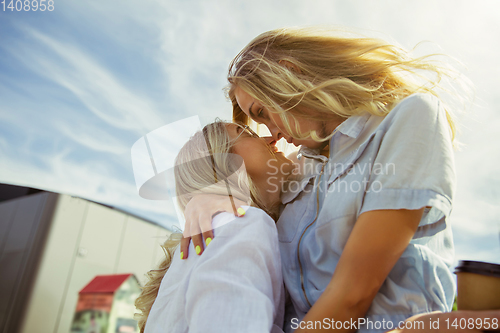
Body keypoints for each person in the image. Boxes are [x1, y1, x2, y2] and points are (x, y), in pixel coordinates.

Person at [180, 27, 471, 332]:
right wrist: (206, 196)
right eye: (258, 123)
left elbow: (352, 296)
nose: (273, 134)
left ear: (289, 73)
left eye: (263, 112)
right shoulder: (295, 169)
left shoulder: (408, 119)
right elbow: (249, 189)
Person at [134, 121, 296, 333]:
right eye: (246, 133)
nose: (271, 138)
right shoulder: (240, 222)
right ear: (225, 162)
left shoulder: (219, 228)